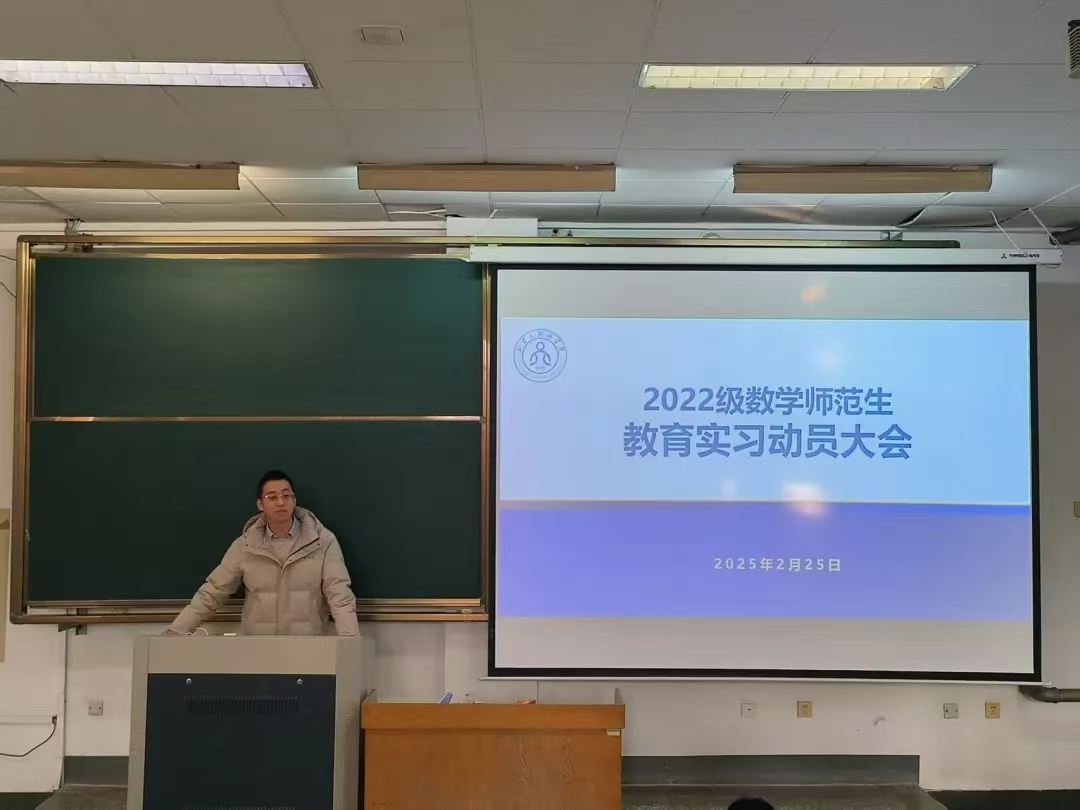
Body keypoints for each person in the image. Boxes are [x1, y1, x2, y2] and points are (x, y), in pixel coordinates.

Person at [167, 470, 360, 637]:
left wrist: (350, 642)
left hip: (308, 647)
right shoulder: (246, 545)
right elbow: (213, 592)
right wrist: (176, 631)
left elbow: (340, 596)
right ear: (260, 504)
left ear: (294, 500)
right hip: (258, 649)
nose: (281, 502)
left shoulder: (322, 541)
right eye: (272, 497)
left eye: (286, 496)